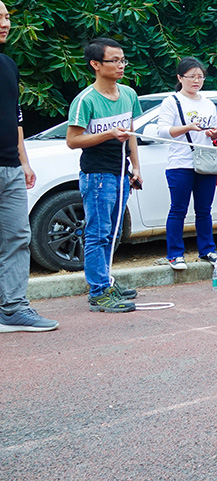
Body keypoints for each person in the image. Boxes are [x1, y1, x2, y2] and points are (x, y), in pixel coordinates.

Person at [66, 37, 142, 312]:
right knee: (98, 233)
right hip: (98, 175)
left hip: (122, 173)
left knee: (113, 233)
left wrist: (137, 168)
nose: (121, 65)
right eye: (115, 61)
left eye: (123, 60)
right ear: (96, 65)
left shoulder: (129, 94)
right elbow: (73, 140)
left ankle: (106, 281)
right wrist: (108, 134)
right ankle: (98, 292)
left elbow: (132, 134)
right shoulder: (86, 100)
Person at [0, 1, 58, 331]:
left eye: (7, 16)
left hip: (10, 168)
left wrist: (24, 161)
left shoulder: (8, 64)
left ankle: (13, 308)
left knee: (17, 237)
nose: (5, 23)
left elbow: (15, 117)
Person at [156, 57, 217, 271]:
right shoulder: (172, 101)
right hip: (180, 163)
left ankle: (208, 250)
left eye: (200, 76)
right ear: (180, 78)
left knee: (204, 210)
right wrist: (188, 127)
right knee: (178, 209)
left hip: (206, 161)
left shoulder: (208, 103)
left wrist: (215, 133)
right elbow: (162, 131)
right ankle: (175, 254)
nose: (196, 81)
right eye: (191, 76)